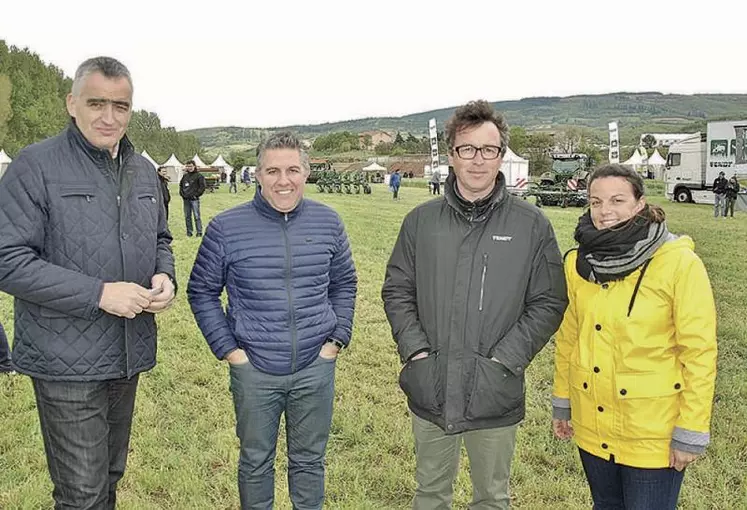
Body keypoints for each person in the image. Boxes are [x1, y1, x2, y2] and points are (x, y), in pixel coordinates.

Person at [0, 56, 176, 509]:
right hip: (65, 362)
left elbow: (160, 237)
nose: (109, 116)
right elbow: (7, 259)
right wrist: (98, 294)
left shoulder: (142, 170)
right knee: (81, 493)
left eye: (121, 106)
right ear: (71, 103)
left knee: (109, 479)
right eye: (97, 103)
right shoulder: (35, 165)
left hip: (127, 353)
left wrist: (165, 275)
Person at [382, 100, 568, 509]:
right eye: (468, 149)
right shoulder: (420, 222)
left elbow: (549, 301)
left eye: (489, 149)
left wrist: (505, 360)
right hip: (431, 386)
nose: (478, 160)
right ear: (452, 155)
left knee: (492, 498)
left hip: (494, 389)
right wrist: (416, 351)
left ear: (502, 154)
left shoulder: (531, 224)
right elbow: (397, 289)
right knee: (430, 494)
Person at [187, 132, 357, 509]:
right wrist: (231, 352)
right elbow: (201, 291)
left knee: (310, 462)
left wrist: (336, 340)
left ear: (306, 173)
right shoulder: (226, 227)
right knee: (255, 462)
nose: (284, 180)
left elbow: (345, 283)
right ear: (258, 175)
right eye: (273, 171)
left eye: (293, 170)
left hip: (315, 366)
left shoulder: (328, 222)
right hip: (255, 370)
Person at [552, 164, 717, 509]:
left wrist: (690, 431)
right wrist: (563, 402)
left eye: (617, 200)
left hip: (652, 432)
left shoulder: (679, 264)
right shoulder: (578, 264)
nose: (604, 211)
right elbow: (569, 338)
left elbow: (699, 353)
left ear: (640, 203)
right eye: (595, 202)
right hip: (593, 422)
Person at [179, 159, 206, 236]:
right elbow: (181, 186)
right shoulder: (185, 176)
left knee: (196, 216)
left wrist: (196, 195)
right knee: (187, 216)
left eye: (190, 166)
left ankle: (199, 232)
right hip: (186, 199)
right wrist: (182, 194)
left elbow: (202, 187)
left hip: (194, 199)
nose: (189, 168)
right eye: (187, 166)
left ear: (194, 166)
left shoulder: (199, 176)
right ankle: (189, 232)